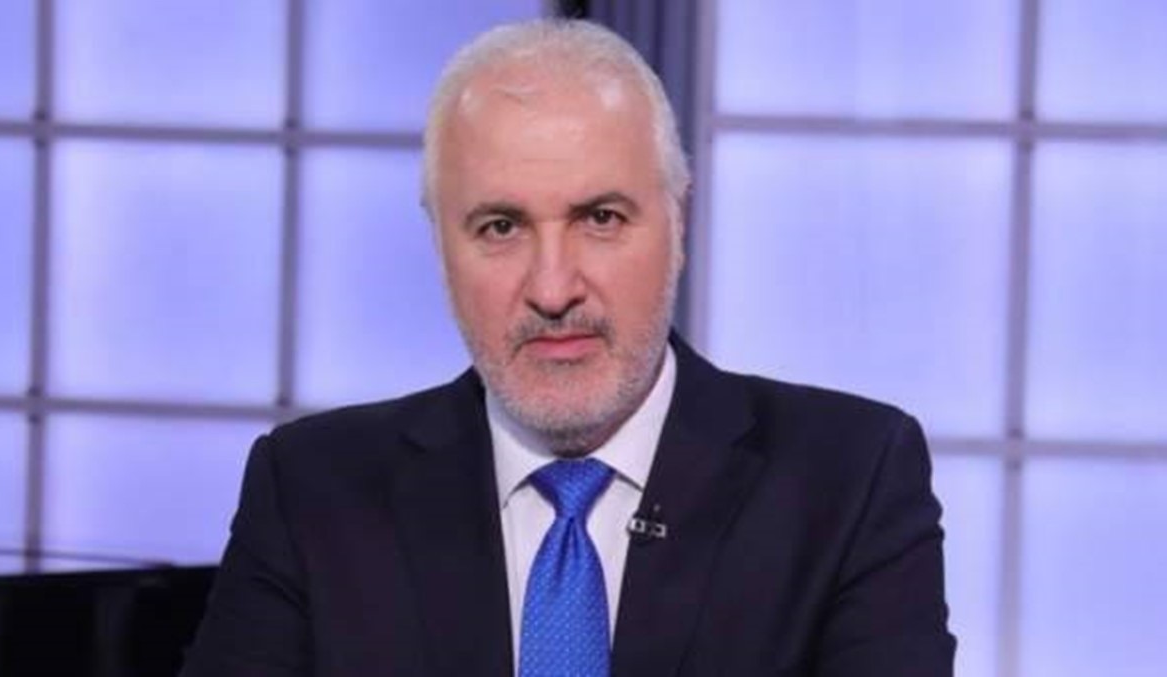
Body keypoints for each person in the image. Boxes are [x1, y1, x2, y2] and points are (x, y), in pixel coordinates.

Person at [181, 18, 954, 677]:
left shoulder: (848, 479)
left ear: (678, 221)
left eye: (601, 218)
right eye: (501, 227)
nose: (553, 289)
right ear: (440, 246)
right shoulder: (311, 490)